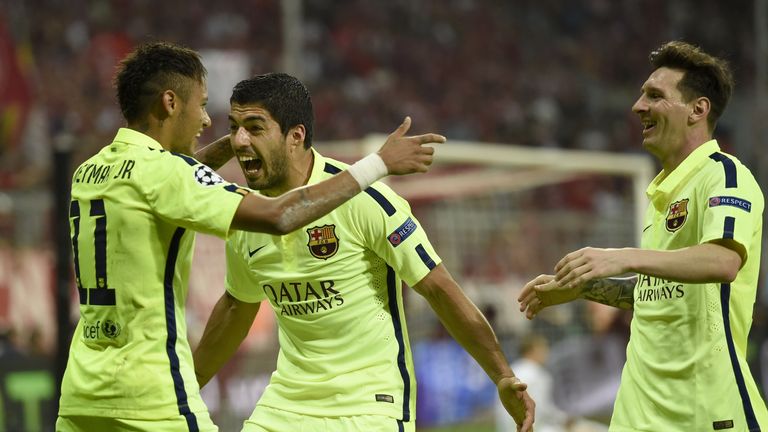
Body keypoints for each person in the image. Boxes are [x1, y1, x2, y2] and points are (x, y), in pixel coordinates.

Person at [55, 41, 446, 432]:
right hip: (148, 393)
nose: (207, 120)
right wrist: (377, 164)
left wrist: (245, 138)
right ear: (171, 103)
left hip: (82, 389)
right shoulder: (164, 175)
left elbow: (172, 180)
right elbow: (279, 215)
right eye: (202, 105)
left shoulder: (91, 172)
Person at [192, 72, 535, 432]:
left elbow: (437, 287)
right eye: (234, 127)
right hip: (286, 405)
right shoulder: (247, 216)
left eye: (254, 128)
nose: (239, 142)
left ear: (296, 136)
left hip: (368, 406)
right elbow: (237, 305)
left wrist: (501, 375)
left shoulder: (366, 200)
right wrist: (183, 389)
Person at [518, 40, 768, 431]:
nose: (638, 106)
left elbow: (723, 261)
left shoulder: (725, 175)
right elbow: (656, 287)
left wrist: (625, 255)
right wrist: (584, 287)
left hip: (704, 412)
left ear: (697, 110)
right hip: (638, 414)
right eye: (640, 95)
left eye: (655, 95)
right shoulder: (661, 195)